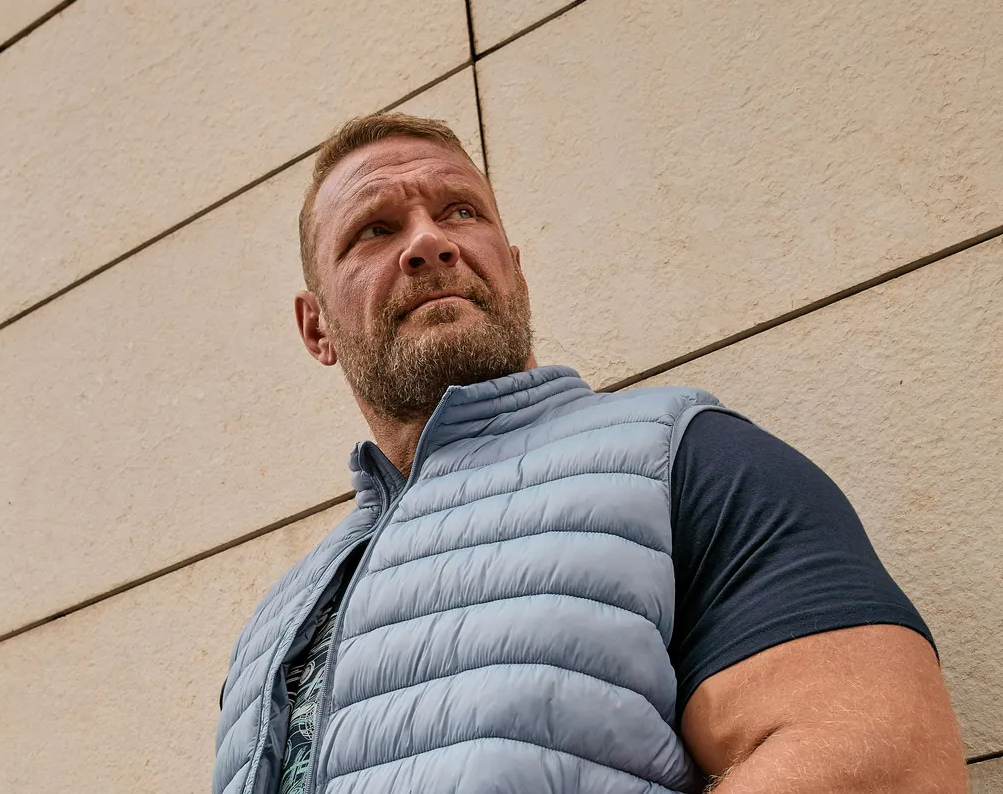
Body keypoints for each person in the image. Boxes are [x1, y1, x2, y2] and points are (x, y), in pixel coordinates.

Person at [211, 113, 966, 794]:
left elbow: (885, 763)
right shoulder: (272, 628)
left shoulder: (686, 459)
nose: (429, 242)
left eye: (461, 212)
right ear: (316, 327)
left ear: (515, 270)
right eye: (375, 229)